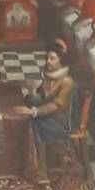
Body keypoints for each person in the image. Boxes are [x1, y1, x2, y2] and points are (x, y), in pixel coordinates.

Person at [21, 46, 77, 179]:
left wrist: (33, 112)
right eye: (47, 58)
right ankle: (33, 161)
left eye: (52, 58)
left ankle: (40, 167)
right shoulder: (49, 77)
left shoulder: (67, 81)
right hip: (49, 117)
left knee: (33, 122)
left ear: (61, 61)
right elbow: (41, 99)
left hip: (62, 123)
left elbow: (56, 105)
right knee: (29, 120)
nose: (48, 62)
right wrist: (32, 91)